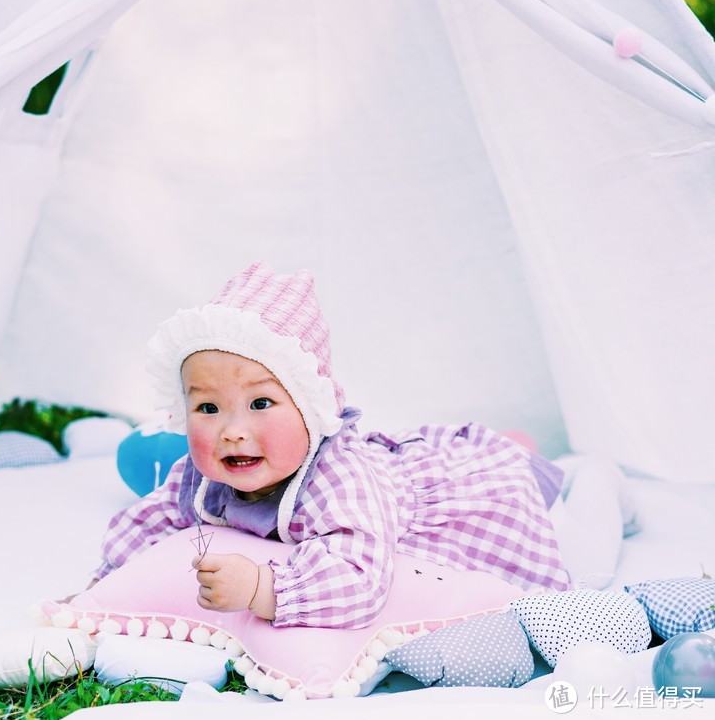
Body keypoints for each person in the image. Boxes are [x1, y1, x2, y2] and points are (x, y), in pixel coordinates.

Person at [92, 261, 571, 629]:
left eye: (260, 402)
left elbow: (359, 575)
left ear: (311, 408)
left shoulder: (337, 479)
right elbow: (152, 518)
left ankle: (585, 481)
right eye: (209, 409)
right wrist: (100, 589)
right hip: (410, 472)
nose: (232, 431)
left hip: (483, 496)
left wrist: (264, 586)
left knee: (563, 508)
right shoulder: (201, 474)